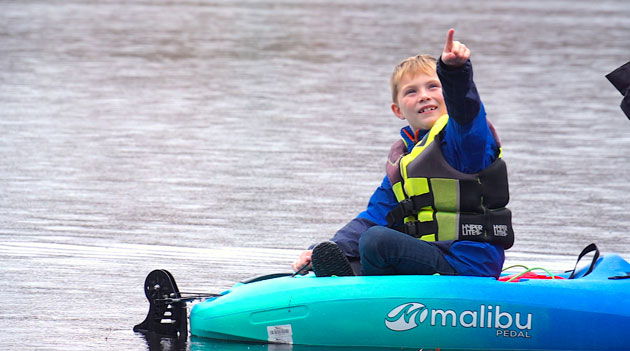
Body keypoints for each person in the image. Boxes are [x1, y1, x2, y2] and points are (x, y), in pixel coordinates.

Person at [292, 28, 514, 278]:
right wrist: (326, 250)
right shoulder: (405, 160)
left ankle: (369, 298)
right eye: (412, 91)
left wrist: (454, 73)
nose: (424, 96)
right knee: (350, 257)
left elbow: (466, 111)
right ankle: (343, 285)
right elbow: (375, 217)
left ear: (448, 95)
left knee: (377, 242)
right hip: (426, 260)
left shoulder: (464, 141)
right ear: (398, 110)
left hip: (466, 267)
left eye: (433, 86)